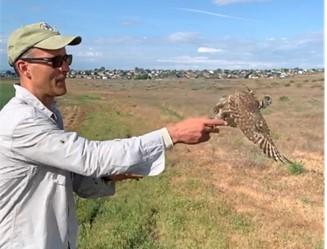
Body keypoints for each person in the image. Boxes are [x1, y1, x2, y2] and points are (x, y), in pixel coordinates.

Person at [0, 22, 226, 249]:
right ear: (24, 67)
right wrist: (173, 134)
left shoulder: (48, 114)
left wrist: (109, 176)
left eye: (66, 60)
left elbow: (70, 180)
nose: (65, 69)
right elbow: (90, 158)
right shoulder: (21, 121)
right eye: (55, 61)